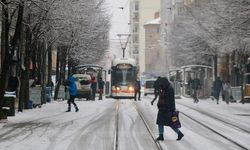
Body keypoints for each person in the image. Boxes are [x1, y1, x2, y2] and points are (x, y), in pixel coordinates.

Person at [151, 77, 184, 141]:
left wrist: (172, 109)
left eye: (161, 84)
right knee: (160, 122)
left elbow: (171, 100)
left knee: (170, 123)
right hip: (162, 108)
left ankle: (179, 133)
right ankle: (161, 136)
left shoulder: (169, 89)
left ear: (164, 83)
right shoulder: (164, 88)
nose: (160, 85)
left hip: (166, 109)